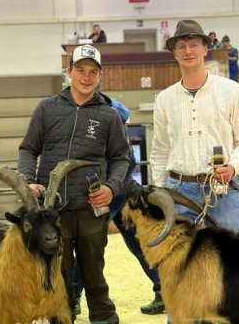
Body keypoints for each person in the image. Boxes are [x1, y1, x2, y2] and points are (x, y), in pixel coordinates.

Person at [18, 44, 130, 324]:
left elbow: (121, 158)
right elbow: (28, 149)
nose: (86, 76)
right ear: (69, 72)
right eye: (80, 69)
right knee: (58, 275)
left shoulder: (109, 115)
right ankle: (61, 319)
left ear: (100, 76)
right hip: (52, 213)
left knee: (94, 273)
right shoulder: (46, 108)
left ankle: (104, 319)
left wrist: (111, 188)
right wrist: (30, 180)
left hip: (91, 210)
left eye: (93, 71)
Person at [150, 19, 239, 234]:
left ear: (205, 48)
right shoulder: (164, 99)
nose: (188, 51)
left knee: (229, 260)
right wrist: (162, 190)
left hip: (222, 188)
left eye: (193, 45)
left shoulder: (231, 90)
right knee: (180, 261)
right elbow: (160, 150)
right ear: (174, 53)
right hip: (178, 190)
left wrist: (233, 167)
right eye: (181, 46)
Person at [73, 98, 164, 316]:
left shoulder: (104, 115)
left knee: (90, 248)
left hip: (115, 194)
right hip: (115, 193)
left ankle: (72, 298)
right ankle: (164, 292)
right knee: (138, 246)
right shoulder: (106, 111)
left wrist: (107, 185)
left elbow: (127, 161)